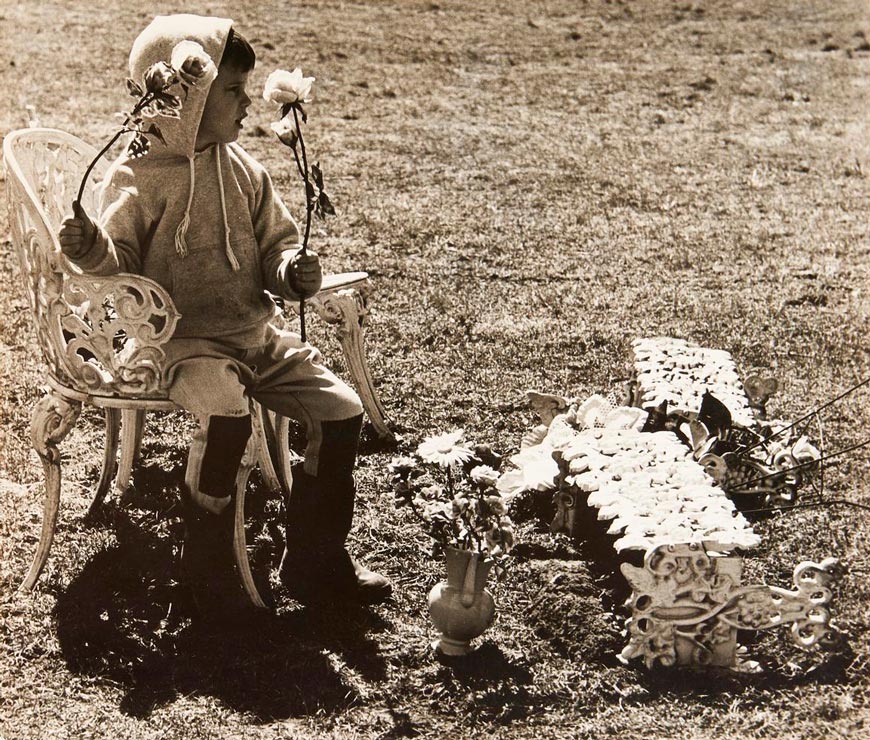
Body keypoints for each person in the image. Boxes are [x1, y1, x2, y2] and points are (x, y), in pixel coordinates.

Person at [58, 13, 392, 610]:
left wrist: (291, 271)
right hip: (184, 346)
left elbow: (277, 247)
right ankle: (206, 557)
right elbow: (121, 270)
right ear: (184, 97)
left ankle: (315, 561)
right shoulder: (138, 178)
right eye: (232, 91)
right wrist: (93, 251)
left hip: (256, 337)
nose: (245, 104)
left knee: (341, 412)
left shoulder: (244, 170)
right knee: (225, 410)